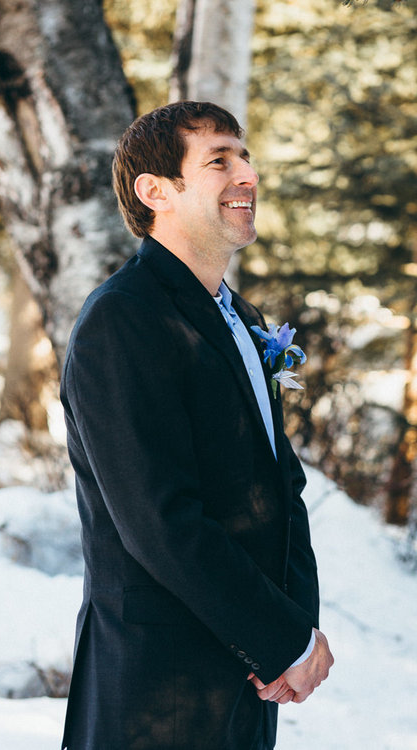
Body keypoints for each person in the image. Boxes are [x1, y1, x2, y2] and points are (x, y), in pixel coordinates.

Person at [59, 100, 334, 750]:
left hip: (245, 685)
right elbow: (161, 521)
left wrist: (295, 633)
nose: (248, 174)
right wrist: (284, 640)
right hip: (158, 695)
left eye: (245, 156)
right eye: (219, 160)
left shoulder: (244, 319)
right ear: (155, 191)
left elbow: (281, 492)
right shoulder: (121, 321)